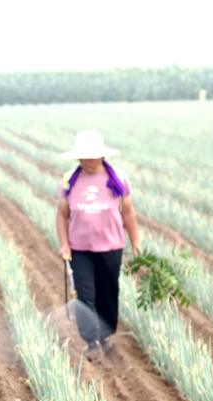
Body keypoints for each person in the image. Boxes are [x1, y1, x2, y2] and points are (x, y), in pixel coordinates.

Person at [56, 130, 142, 360]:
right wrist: (64, 245)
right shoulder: (69, 181)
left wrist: (135, 243)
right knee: (85, 295)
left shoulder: (117, 180)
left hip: (112, 247)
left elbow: (129, 214)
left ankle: (104, 335)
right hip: (80, 249)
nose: (86, 161)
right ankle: (92, 341)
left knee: (108, 293)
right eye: (82, 158)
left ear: (101, 156)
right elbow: (62, 215)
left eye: (90, 157)